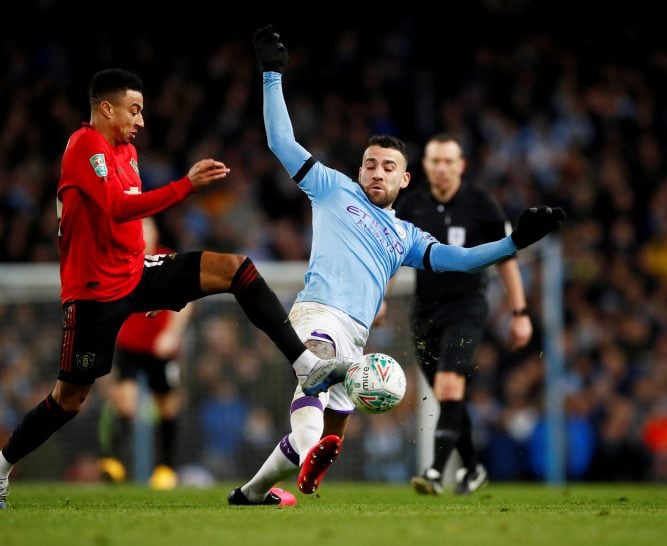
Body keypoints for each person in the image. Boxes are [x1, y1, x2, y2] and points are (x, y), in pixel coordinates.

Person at [0, 67, 350, 509]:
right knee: (69, 400)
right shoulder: (84, 146)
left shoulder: (126, 151)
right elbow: (116, 208)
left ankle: (305, 363)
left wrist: (151, 291)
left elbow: (130, 222)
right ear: (105, 108)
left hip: (138, 274)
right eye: (133, 111)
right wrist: (185, 186)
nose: (140, 121)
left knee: (236, 268)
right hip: (95, 294)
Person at [226, 25, 565, 506]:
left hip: (358, 335)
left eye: (388, 166)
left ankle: (253, 491)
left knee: (332, 426)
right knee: (315, 378)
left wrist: (514, 243)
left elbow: (463, 260)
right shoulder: (331, 187)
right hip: (317, 314)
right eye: (370, 164)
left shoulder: (406, 235)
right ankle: (306, 455)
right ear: (359, 170)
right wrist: (272, 75)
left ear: (405, 178)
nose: (377, 172)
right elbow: (282, 141)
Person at [394, 134, 533, 495]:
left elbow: (507, 257)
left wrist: (520, 312)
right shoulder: (410, 205)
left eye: (448, 161)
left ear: (461, 165)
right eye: (434, 161)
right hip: (424, 311)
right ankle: (473, 470)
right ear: (424, 165)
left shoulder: (481, 204)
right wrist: (379, 297)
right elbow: (389, 254)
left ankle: (436, 473)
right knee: (448, 397)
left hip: (468, 308)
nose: (441, 168)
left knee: (450, 385)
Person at [97, 217, 193, 490]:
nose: (140, 233)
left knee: (166, 407)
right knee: (124, 402)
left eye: (145, 227)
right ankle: (114, 461)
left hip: (159, 348)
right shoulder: (121, 259)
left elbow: (186, 302)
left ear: (155, 232)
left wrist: (171, 334)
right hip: (129, 344)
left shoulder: (167, 259)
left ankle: (166, 467)